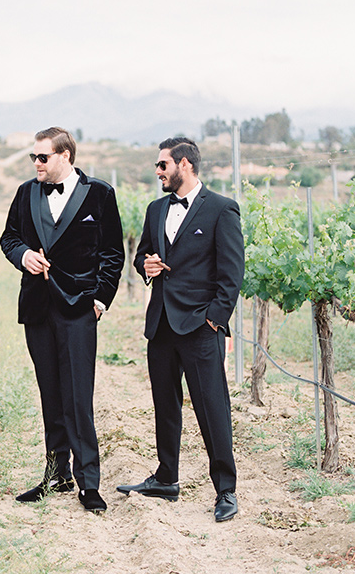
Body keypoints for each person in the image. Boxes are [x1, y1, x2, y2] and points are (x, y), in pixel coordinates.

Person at [116, 137, 244, 523]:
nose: (157, 172)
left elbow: (231, 275)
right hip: (161, 325)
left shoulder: (222, 209)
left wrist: (213, 320)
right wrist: (147, 266)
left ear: (184, 164)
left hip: (200, 328)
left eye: (162, 165)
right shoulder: (156, 209)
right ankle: (166, 478)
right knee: (165, 406)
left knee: (212, 408)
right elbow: (141, 256)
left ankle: (225, 489)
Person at [0, 126, 124, 514]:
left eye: (43, 157)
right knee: (50, 392)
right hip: (38, 307)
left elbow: (113, 254)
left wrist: (101, 300)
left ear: (65, 156)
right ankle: (57, 473)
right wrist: (22, 256)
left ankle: (89, 483)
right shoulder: (25, 193)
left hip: (80, 308)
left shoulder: (100, 194)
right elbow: (9, 237)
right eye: (33, 157)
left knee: (77, 397)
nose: (36, 163)